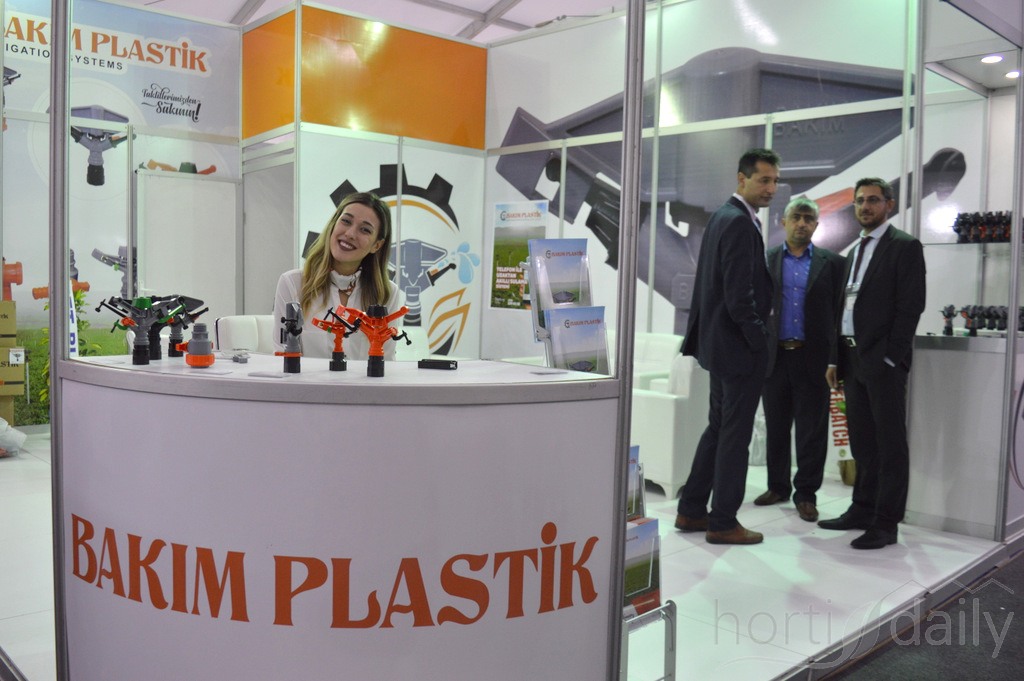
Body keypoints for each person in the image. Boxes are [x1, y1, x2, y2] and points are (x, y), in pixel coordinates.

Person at [674, 148, 779, 545]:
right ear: (742, 179)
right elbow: (739, 297)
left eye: (774, 181)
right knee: (734, 436)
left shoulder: (724, 216)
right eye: (763, 180)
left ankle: (691, 510)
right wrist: (759, 340)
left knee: (719, 428)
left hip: (720, 348)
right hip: (737, 350)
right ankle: (722, 522)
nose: (770, 188)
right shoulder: (737, 222)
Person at [819, 177, 926, 550]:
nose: (865, 206)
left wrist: (890, 357)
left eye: (874, 200)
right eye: (860, 201)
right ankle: (862, 509)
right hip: (851, 359)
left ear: (889, 204)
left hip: (882, 362)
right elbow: (844, 308)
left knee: (890, 445)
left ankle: (885, 523)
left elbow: (911, 306)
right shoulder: (854, 251)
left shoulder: (904, 247)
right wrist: (835, 358)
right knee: (863, 443)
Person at [754, 197, 844, 523]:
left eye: (808, 218)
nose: (802, 223)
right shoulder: (765, 260)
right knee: (776, 427)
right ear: (784, 221)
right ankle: (777, 486)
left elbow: (839, 315)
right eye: (796, 217)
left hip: (813, 358)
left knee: (811, 431)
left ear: (816, 225)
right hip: (775, 357)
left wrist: (835, 359)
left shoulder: (833, 264)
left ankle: (806, 494)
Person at [274, 192, 402, 361]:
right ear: (333, 225)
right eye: (346, 221)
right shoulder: (292, 283)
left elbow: (387, 363)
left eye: (365, 230)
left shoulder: (387, 293)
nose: (350, 233)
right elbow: (283, 357)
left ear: (377, 245)